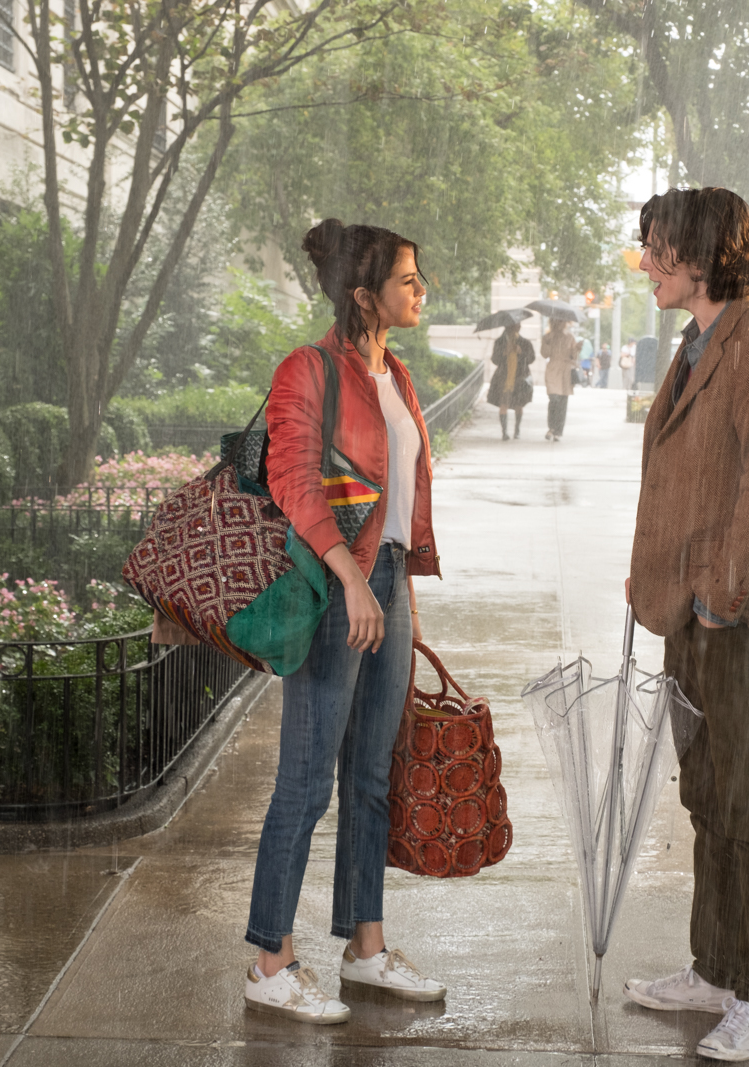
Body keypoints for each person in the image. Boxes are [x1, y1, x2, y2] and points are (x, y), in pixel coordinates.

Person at [622, 187, 749, 1062]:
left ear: (702, 255)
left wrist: (720, 594)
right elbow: (684, 476)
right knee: (705, 790)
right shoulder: (696, 343)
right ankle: (715, 969)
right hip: (688, 604)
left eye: (659, 249)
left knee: (745, 796)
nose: (647, 263)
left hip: (733, 611)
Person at [243, 218, 447, 1024]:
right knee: (306, 779)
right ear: (364, 294)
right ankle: (270, 958)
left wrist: (401, 596)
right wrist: (353, 580)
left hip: (386, 582)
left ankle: (365, 950)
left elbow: (399, 500)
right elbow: (293, 481)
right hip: (335, 590)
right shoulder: (309, 369)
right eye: (406, 280)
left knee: (369, 777)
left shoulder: (394, 373)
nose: (420, 291)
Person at [485, 320, 535, 439]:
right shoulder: (500, 342)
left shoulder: (524, 342)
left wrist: (521, 352)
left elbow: (531, 359)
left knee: (519, 405)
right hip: (504, 378)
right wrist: (504, 352)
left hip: (520, 378)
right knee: (504, 404)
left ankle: (517, 430)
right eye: (516, 326)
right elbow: (495, 360)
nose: (519, 327)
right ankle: (504, 432)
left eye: (519, 325)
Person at [540, 317, 577, 441]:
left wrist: (577, 349)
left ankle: (558, 431)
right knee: (554, 399)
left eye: (563, 321)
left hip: (565, 371)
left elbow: (574, 356)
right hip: (553, 370)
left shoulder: (570, 337)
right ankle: (551, 427)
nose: (561, 324)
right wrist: (547, 342)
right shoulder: (548, 337)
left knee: (562, 401)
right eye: (558, 321)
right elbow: (544, 353)